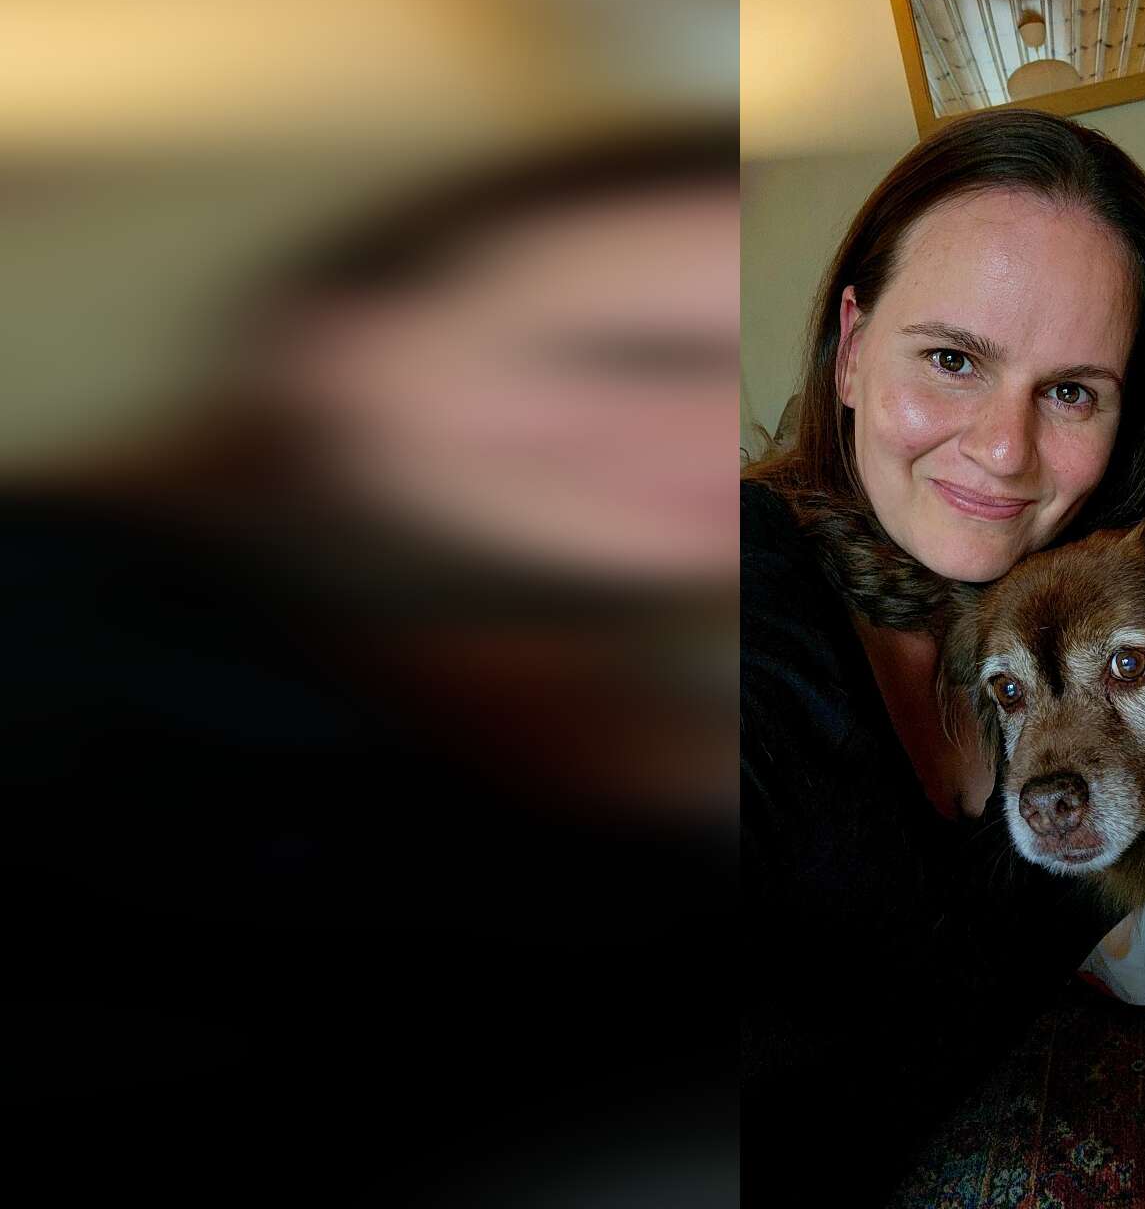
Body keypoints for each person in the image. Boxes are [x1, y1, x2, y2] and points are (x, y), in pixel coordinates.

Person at [2, 126, 744, 1204]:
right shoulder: (64, 616)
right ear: (338, 352)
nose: (705, 432)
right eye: (632, 357)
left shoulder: (561, 670)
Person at [739, 108, 1145, 1199]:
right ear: (852, 351)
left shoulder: (1129, 618)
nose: (1006, 452)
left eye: (1070, 391)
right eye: (953, 358)